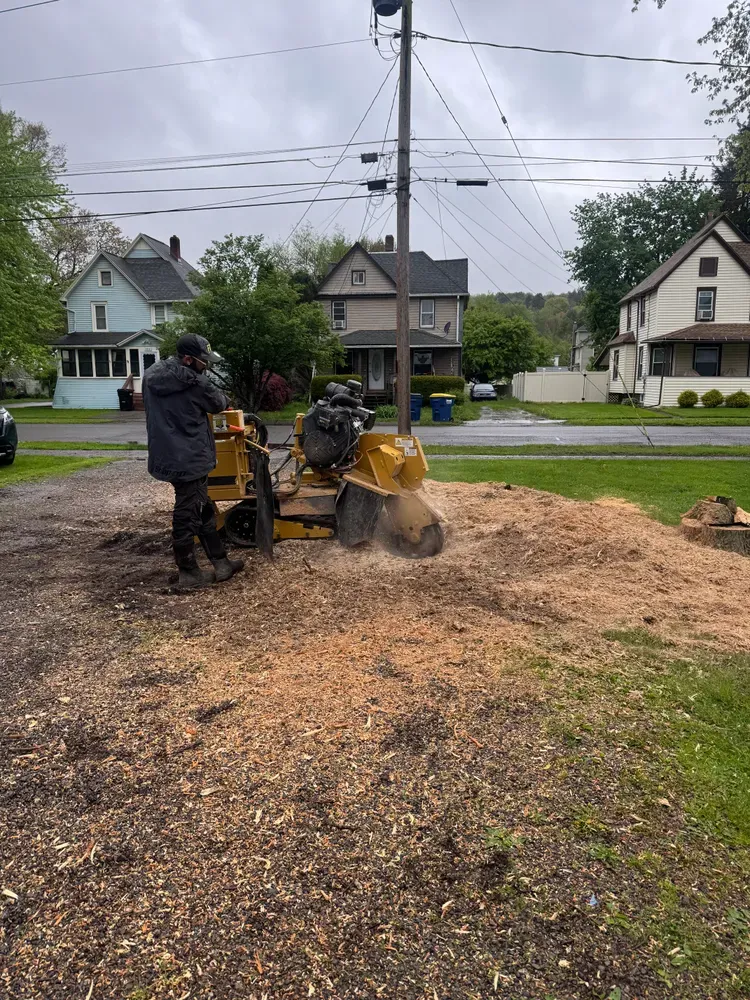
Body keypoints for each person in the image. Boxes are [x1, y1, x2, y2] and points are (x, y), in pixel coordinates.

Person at [143, 334, 244, 589]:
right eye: (203, 362)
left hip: (166, 454)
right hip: (190, 457)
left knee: (202, 506)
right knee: (188, 514)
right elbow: (219, 403)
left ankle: (221, 562)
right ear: (188, 359)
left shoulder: (153, 374)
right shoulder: (196, 383)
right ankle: (188, 573)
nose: (206, 366)